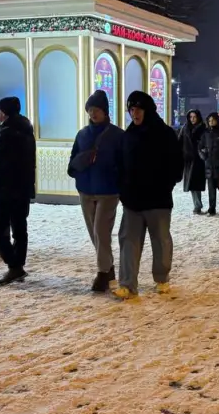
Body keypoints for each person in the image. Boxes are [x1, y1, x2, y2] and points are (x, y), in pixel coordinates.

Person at [115, 91, 182, 299]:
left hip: (158, 200)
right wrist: (123, 189)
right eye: (131, 109)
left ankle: (162, 278)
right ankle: (127, 284)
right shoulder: (128, 136)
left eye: (138, 109)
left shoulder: (165, 134)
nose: (134, 113)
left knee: (160, 240)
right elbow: (121, 166)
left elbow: (177, 166)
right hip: (132, 200)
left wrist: (165, 185)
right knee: (128, 242)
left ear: (148, 110)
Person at [68, 90, 124, 292]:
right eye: (90, 110)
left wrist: (118, 177)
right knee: (94, 233)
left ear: (105, 111)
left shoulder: (117, 135)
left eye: (97, 110)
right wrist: (74, 170)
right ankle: (108, 267)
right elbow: (74, 156)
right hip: (86, 188)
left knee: (101, 230)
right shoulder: (82, 134)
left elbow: (124, 162)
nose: (93, 114)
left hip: (108, 190)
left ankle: (102, 273)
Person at [0, 97, 36, 286]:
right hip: (22, 188)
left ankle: (14, 266)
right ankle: (18, 266)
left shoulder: (6, 133)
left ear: (4, 113)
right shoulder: (26, 129)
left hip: (5, 190)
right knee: (19, 228)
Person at [179, 109, 206, 215]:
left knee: (196, 184)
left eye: (194, 117)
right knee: (192, 184)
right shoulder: (185, 128)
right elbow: (179, 142)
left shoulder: (203, 128)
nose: (192, 119)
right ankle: (197, 206)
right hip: (188, 159)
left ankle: (197, 206)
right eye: (191, 117)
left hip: (199, 160)